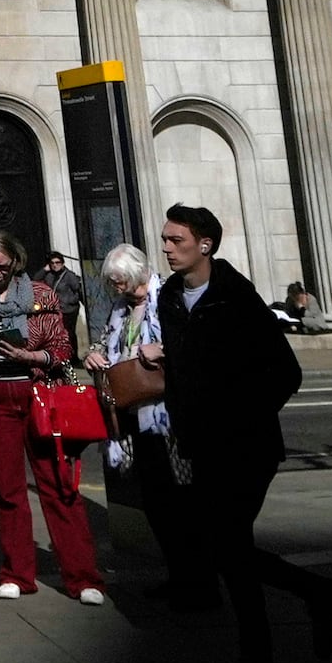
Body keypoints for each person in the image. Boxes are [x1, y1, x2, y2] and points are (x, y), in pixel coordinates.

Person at [152, 203, 332, 663]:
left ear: (205, 245)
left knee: (228, 548)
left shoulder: (235, 297)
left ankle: (261, 660)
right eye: (166, 239)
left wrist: (239, 416)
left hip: (245, 445)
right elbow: (190, 366)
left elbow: (285, 372)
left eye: (176, 240)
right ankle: (314, 595)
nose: (167, 248)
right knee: (226, 549)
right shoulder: (170, 297)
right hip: (200, 444)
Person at [0, 229, 105, 604]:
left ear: (16, 261)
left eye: (2, 266)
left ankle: (82, 578)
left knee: (59, 486)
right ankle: (17, 574)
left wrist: (32, 357)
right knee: (7, 490)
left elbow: (62, 348)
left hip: (39, 396)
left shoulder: (41, 295)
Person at [81, 244, 208, 610]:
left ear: (137, 274)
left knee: (183, 501)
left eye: (119, 280)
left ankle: (200, 583)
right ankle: (178, 576)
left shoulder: (170, 297)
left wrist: (163, 349)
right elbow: (104, 341)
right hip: (133, 411)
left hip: (170, 417)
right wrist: (93, 354)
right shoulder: (121, 307)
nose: (115, 287)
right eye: (111, 282)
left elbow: (198, 342)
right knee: (155, 500)